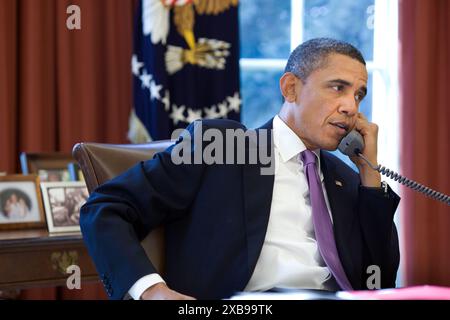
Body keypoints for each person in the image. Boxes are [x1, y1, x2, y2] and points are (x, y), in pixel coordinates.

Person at [80, 38, 400, 300]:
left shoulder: (346, 178)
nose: (351, 107)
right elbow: (106, 209)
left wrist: (370, 178)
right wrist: (152, 291)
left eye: (359, 94)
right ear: (291, 88)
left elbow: (378, 282)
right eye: (337, 88)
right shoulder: (219, 146)